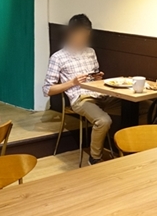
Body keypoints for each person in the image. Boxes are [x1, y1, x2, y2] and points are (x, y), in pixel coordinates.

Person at [43, 14, 118, 165]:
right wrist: (72, 82)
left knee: (139, 105)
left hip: (101, 94)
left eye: (86, 36)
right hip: (81, 99)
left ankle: (129, 152)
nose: (83, 40)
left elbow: (95, 78)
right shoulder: (58, 57)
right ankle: (94, 158)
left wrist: (97, 78)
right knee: (103, 120)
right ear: (71, 33)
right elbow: (47, 90)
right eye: (81, 36)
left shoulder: (90, 52)